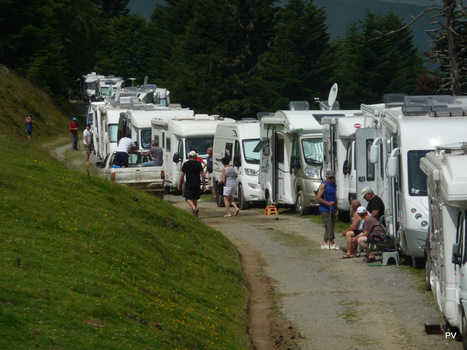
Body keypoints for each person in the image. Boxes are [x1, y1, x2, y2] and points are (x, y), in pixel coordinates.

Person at [179, 150, 206, 217]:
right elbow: (202, 174)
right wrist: (204, 184)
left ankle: (194, 208)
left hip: (189, 182)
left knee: (188, 198)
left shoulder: (186, 164)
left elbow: (182, 175)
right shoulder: (198, 164)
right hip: (197, 182)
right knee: (195, 198)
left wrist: (180, 184)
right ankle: (194, 213)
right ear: (194, 156)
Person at [317, 170, 339, 250]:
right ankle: (332, 243)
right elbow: (318, 198)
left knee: (331, 225)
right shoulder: (323, 185)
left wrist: (336, 207)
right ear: (326, 177)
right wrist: (327, 203)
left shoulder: (334, 185)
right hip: (324, 208)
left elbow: (335, 197)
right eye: (329, 178)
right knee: (328, 225)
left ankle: (324, 243)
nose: (331, 179)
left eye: (332, 178)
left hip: (332, 208)